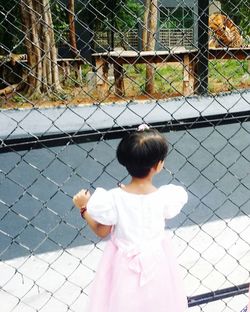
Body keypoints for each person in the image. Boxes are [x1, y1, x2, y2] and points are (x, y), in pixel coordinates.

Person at [73, 124, 188, 312]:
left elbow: (102, 231)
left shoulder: (113, 199)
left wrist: (84, 208)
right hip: (158, 266)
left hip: (124, 269)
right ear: (159, 165)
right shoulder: (165, 198)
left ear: (126, 162)